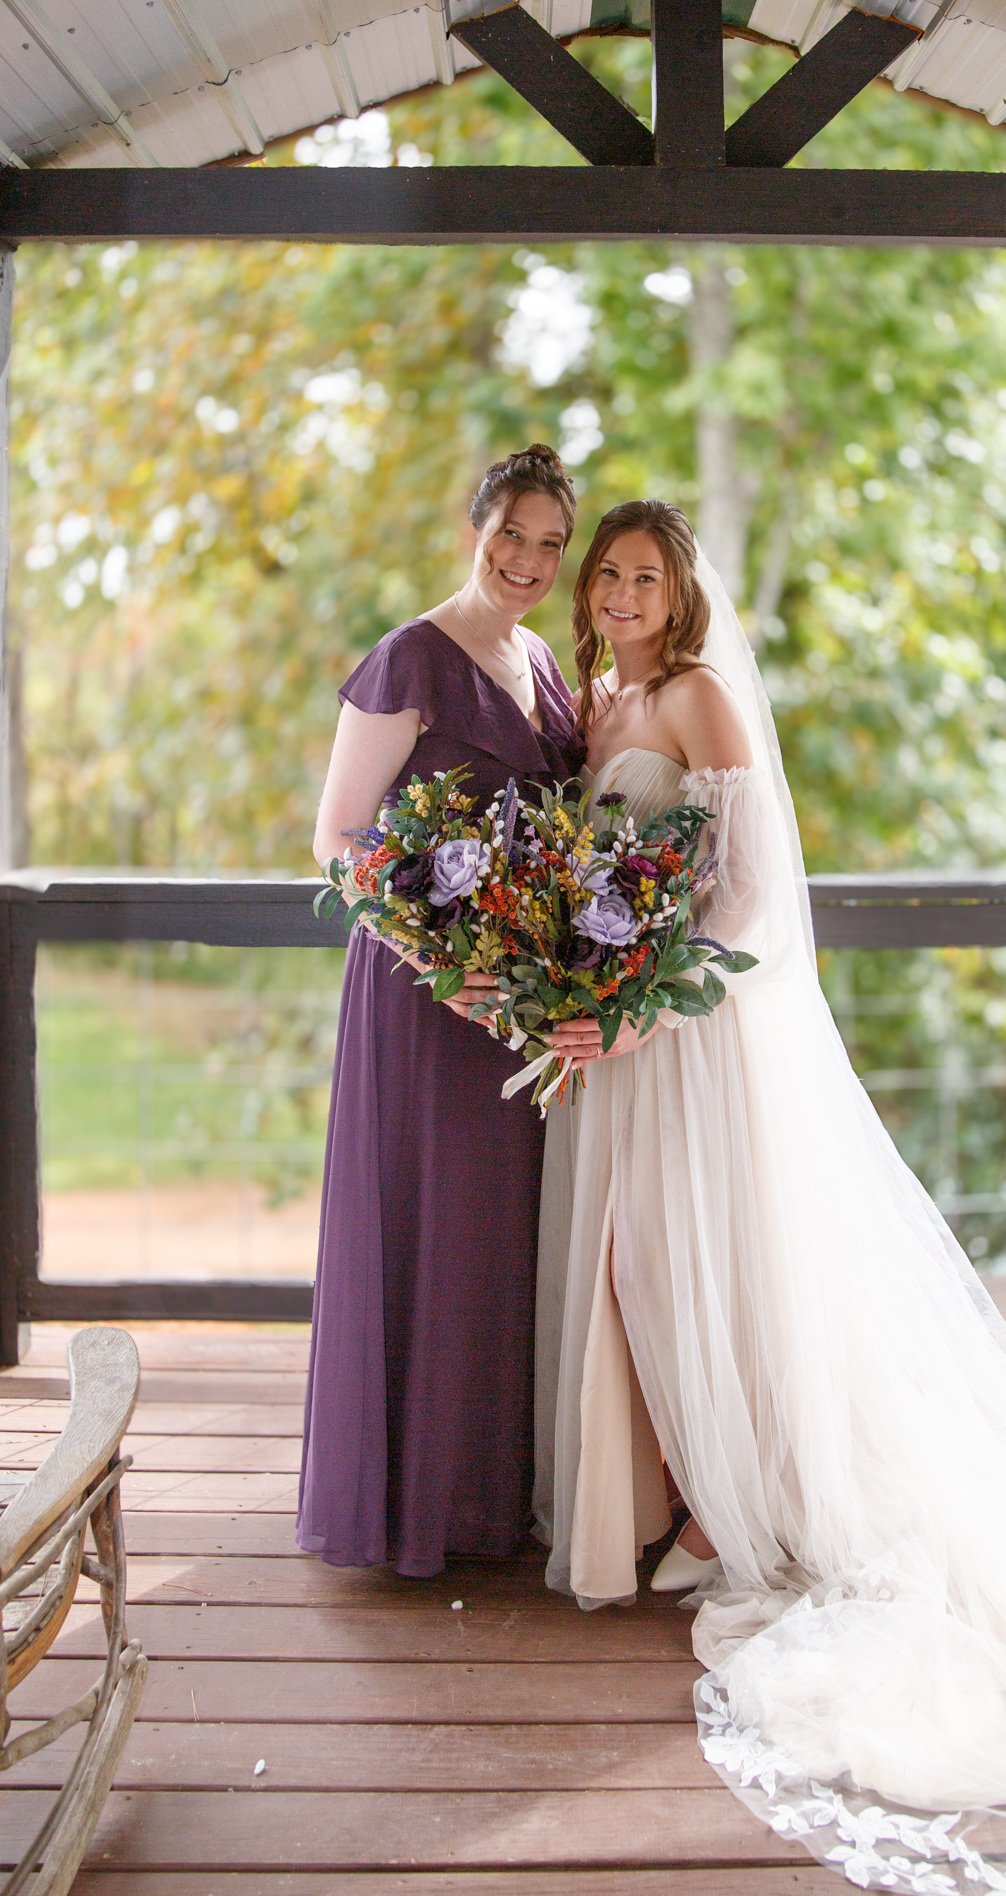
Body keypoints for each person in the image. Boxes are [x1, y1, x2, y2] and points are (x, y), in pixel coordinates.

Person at [534, 500, 1006, 1890]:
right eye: (606, 574)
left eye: (643, 575)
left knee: (712, 1263)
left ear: (681, 592)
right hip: (619, 1045)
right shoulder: (600, 703)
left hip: (696, 1040)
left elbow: (750, 896)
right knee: (643, 1267)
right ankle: (691, 1489)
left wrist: (647, 1003)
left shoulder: (703, 696)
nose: (619, 592)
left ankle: (735, 1510)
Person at [298, 445, 585, 1576]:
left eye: (550, 545)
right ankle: (410, 1508)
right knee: (430, 1218)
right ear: (476, 530)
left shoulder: (543, 661)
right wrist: (434, 954)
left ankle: (483, 1497)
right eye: (511, 533)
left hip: (517, 995)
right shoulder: (410, 655)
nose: (527, 560)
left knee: (497, 1232)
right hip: (426, 991)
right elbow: (336, 837)